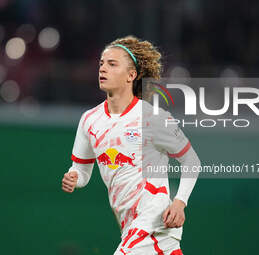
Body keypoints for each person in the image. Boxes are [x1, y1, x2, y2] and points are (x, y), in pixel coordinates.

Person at [62, 36, 200, 255]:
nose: (103, 68)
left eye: (112, 64)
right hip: (129, 227)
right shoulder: (89, 120)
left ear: (131, 75)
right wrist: (73, 177)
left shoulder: (152, 117)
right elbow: (81, 170)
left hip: (155, 221)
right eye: (101, 63)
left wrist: (180, 202)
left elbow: (191, 160)